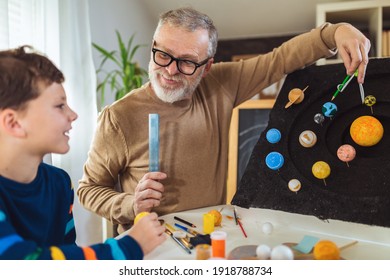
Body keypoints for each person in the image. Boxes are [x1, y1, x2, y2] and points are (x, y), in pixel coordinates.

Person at [78, 7, 371, 234]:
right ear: (153, 46)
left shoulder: (220, 84)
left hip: (210, 234)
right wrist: (130, 204)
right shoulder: (118, 117)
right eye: (162, 54)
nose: (169, 70)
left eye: (187, 62)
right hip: (151, 245)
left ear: (207, 67)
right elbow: (88, 190)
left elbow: (279, 60)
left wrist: (335, 32)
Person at [0, 46, 166, 260]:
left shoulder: (59, 183)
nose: (73, 114)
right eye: (60, 106)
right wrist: (131, 245)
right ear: (14, 122)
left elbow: (66, 253)